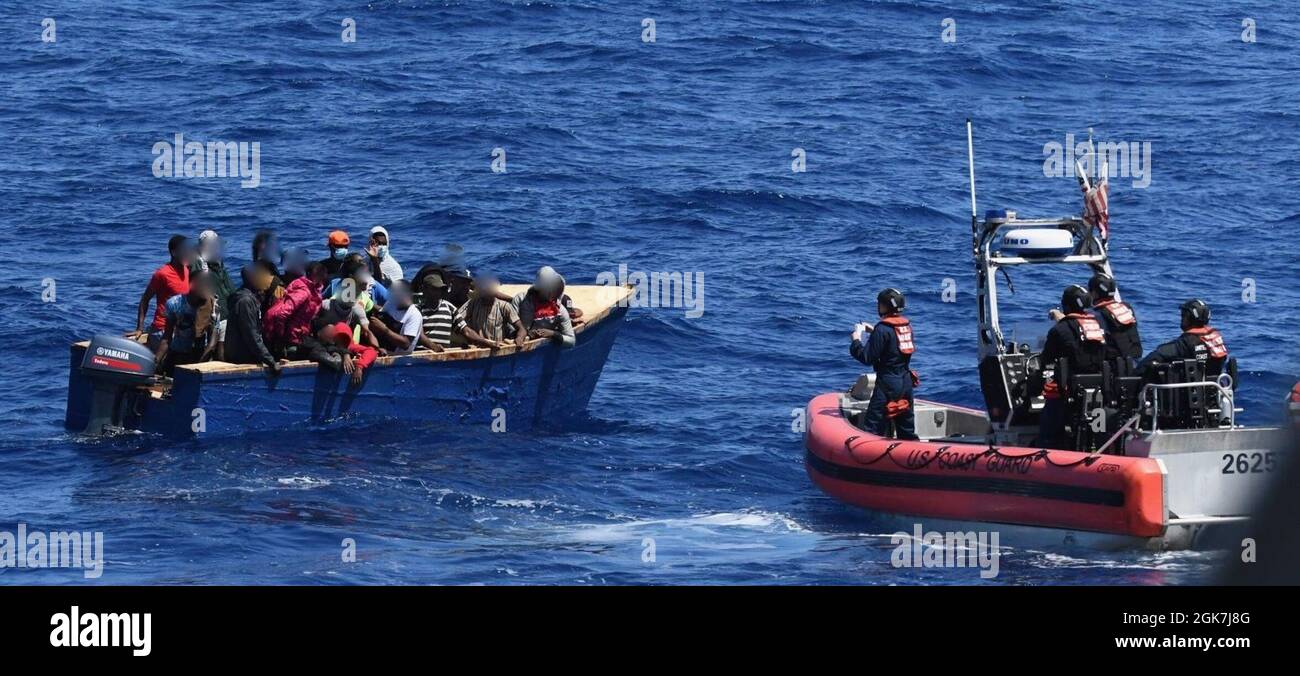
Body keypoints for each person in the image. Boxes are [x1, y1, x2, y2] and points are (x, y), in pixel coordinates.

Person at [1038, 284, 1108, 448]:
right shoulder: (1100, 325)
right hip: (1098, 393)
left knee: (1047, 427)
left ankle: (1044, 447)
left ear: (1066, 306)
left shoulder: (1060, 330)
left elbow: (1045, 360)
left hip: (1068, 394)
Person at [850, 288, 919, 440]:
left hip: (887, 384)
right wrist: (874, 331)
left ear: (885, 306)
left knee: (873, 428)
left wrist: (855, 340)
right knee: (906, 428)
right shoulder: (906, 326)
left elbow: (867, 358)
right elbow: (894, 345)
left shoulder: (882, 330)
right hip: (906, 383)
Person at [1137, 299, 1229, 379]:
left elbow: (1159, 354)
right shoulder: (1215, 339)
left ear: (1191, 318)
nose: (1182, 318)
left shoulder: (1187, 341)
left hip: (1190, 392)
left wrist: (1135, 374)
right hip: (1214, 390)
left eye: (1184, 315)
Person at [133, 235, 193, 351]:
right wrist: (140, 327)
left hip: (181, 329)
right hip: (163, 330)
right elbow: (145, 299)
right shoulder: (162, 274)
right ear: (174, 253)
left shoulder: (188, 270)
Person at [154, 271, 217, 375]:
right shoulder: (174, 304)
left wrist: (196, 369)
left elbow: (212, 344)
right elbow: (167, 338)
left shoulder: (213, 307)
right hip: (177, 354)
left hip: (199, 357)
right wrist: (155, 362)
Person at [224, 265, 281, 373]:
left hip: (244, 355)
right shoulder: (245, 301)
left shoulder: (249, 297)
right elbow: (251, 334)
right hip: (242, 358)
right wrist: (270, 361)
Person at [264, 261, 328, 358]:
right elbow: (280, 315)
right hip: (291, 337)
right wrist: (281, 337)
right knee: (318, 349)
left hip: (298, 334)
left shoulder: (311, 289)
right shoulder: (303, 292)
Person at [453, 274, 526, 349]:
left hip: (497, 348)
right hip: (478, 347)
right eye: (483, 295)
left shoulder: (504, 306)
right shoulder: (473, 303)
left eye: (488, 295)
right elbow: (456, 318)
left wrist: (520, 338)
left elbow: (521, 328)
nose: (485, 298)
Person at [371, 280, 442, 354]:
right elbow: (420, 336)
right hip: (383, 352)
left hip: (399, 359)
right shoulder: (390, 304)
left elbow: (406, 344)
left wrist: (384, 329)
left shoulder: (414, 315)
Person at [511, 266, 575, 348]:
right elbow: (510, 327)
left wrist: (552, 334)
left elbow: (571, 341)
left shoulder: (560, 310)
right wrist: (522, 335)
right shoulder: (520, 300)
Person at [1088, 272, 1141, 366]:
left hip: (1112, 367)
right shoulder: (1127, 308)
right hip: (1134, 363)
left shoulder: (1096, 314)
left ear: (1095, 293)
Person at [302, 320, 377, 387]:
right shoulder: (325, 346)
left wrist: (359, 366)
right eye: (338, 337)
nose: (341, 341)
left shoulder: (351, 347)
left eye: (344, 338)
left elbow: (371, 351)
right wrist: (345, 354)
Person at [325, 253, 390, 308]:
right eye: (359, 263)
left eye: (363, 261)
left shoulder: (372, 285)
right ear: (351, 275)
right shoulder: (335, 284)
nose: (364, 264)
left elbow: (391, 302)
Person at [417, 271, 459, 348]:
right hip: (422, 355)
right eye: (434, 289)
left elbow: (466, 330)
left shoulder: (449, 308)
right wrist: (434, 347)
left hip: (444, 356)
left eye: (440, 289)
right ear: (424, 289)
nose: (438, 292)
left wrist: (484, 341)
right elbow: (419, 335)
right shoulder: (417, 311)